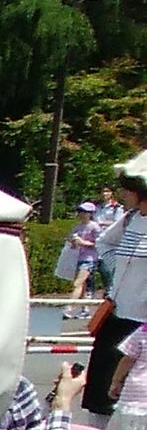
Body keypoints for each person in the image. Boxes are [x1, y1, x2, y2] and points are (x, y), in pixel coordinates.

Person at [61, 158, 147, 414]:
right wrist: (117, 270)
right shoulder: (130, 219)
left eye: (128, 189)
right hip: (116, 313)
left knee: (133, 396)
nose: (123, 194)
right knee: (100, 391)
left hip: (141, 321)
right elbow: (104, 242)